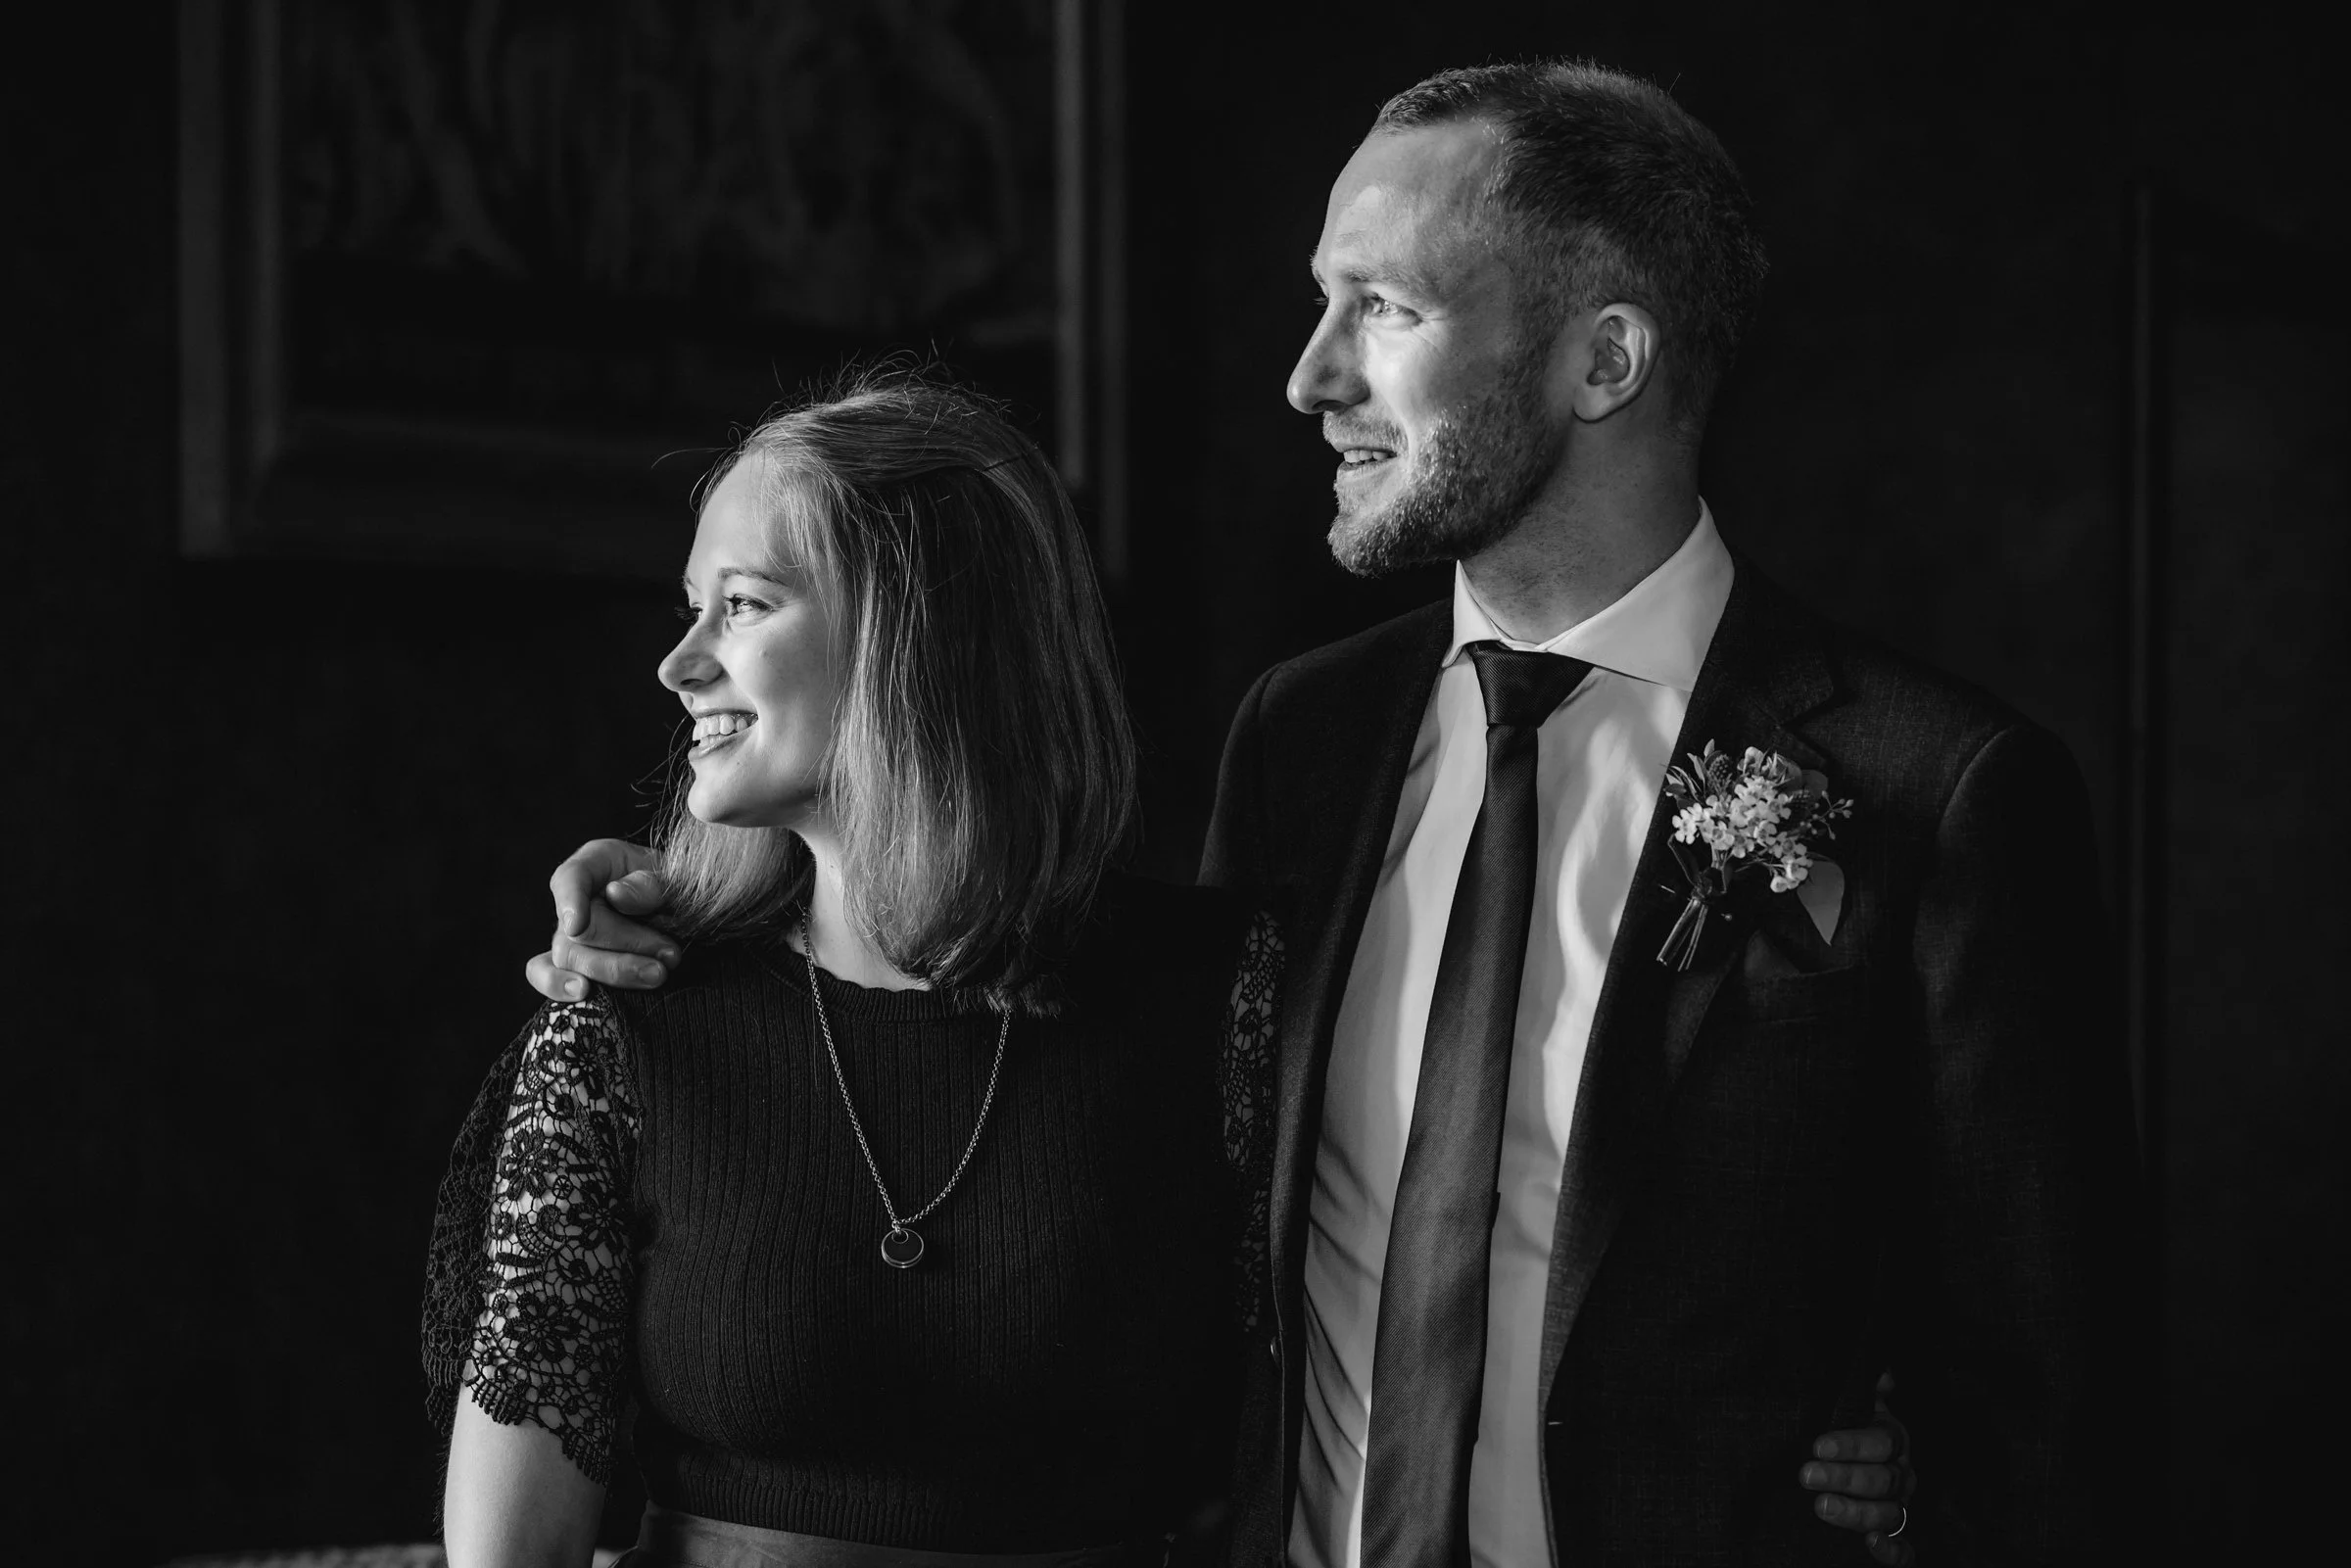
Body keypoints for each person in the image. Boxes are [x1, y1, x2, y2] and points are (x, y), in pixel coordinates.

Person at [518, 61, 2131, 1565]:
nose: (1311, 377)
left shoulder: (1936, 788)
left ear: (1605, 360)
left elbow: (2047, 1393)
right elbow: (1071, 1067)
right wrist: (691, 912)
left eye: (1385, 306)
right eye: (1318, 305)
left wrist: (1921, 1472)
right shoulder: (1306, 737)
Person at [426, 373, 1269, 1567]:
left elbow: (1308, 1451)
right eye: (691, 606)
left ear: (918, 633)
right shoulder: (627, 1019)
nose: (678, 662)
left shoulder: (1219, 995)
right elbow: (510, 1552)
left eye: (742, 605)